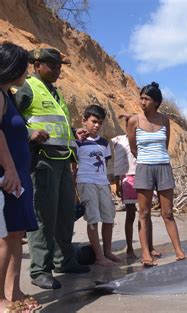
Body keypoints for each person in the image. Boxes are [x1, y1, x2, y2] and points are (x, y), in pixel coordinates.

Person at [15, 47, 90, 290]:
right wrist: (29, 133)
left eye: (59, 66)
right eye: (53, 66)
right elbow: (10, 119)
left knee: (65, 214)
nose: (58, 70)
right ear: (37, 66)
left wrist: (73, 132)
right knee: (44, 218)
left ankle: (64, 260)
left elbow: (55, 125)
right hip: (43, 161)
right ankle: (40, 270)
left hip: (62, 161)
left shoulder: (55, 93)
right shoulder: (27, 88)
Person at [0, 42, 41, 313]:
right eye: (24, 66)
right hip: (9, 175)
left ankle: (12, 291)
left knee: (16, 233)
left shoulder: (8, 95)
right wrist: (11, 169)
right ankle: (0, 300)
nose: (27, 71)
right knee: (4, 236)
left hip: (20, 175)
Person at [126, 82, 186, 266]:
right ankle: (146, 254)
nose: (142, 102)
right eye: (141, 98)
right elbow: (133, 147)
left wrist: (158, 160)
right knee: (144, 213)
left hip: (163, 167)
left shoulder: (164, 120)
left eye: (147, 99)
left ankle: (179, 251)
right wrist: (146, 160)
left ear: (156, 102)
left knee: (167, 213)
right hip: (144, 167)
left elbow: (164, 145)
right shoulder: (134, 121)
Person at [74, 105, 121, 266]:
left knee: (108, 218)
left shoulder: (103, 143)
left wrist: (109, 184)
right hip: (86, 182)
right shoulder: (78, 142)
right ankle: (99, 256)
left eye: (100, 123)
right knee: (93, 219)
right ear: (84, 121)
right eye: (94, 121)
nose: (97, 126)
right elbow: (73, 165)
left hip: (103, 183)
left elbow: (105, 165)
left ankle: (108, 251)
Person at [111, 115, 162, 260]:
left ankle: (150, 247)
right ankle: (130, 248)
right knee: (130, 214)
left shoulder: (142, 139)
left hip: (143, 176)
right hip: (127, 178)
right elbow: (117, 161)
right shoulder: (119, 140)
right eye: (130, 125)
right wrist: (117, 181)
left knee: (146, 214)